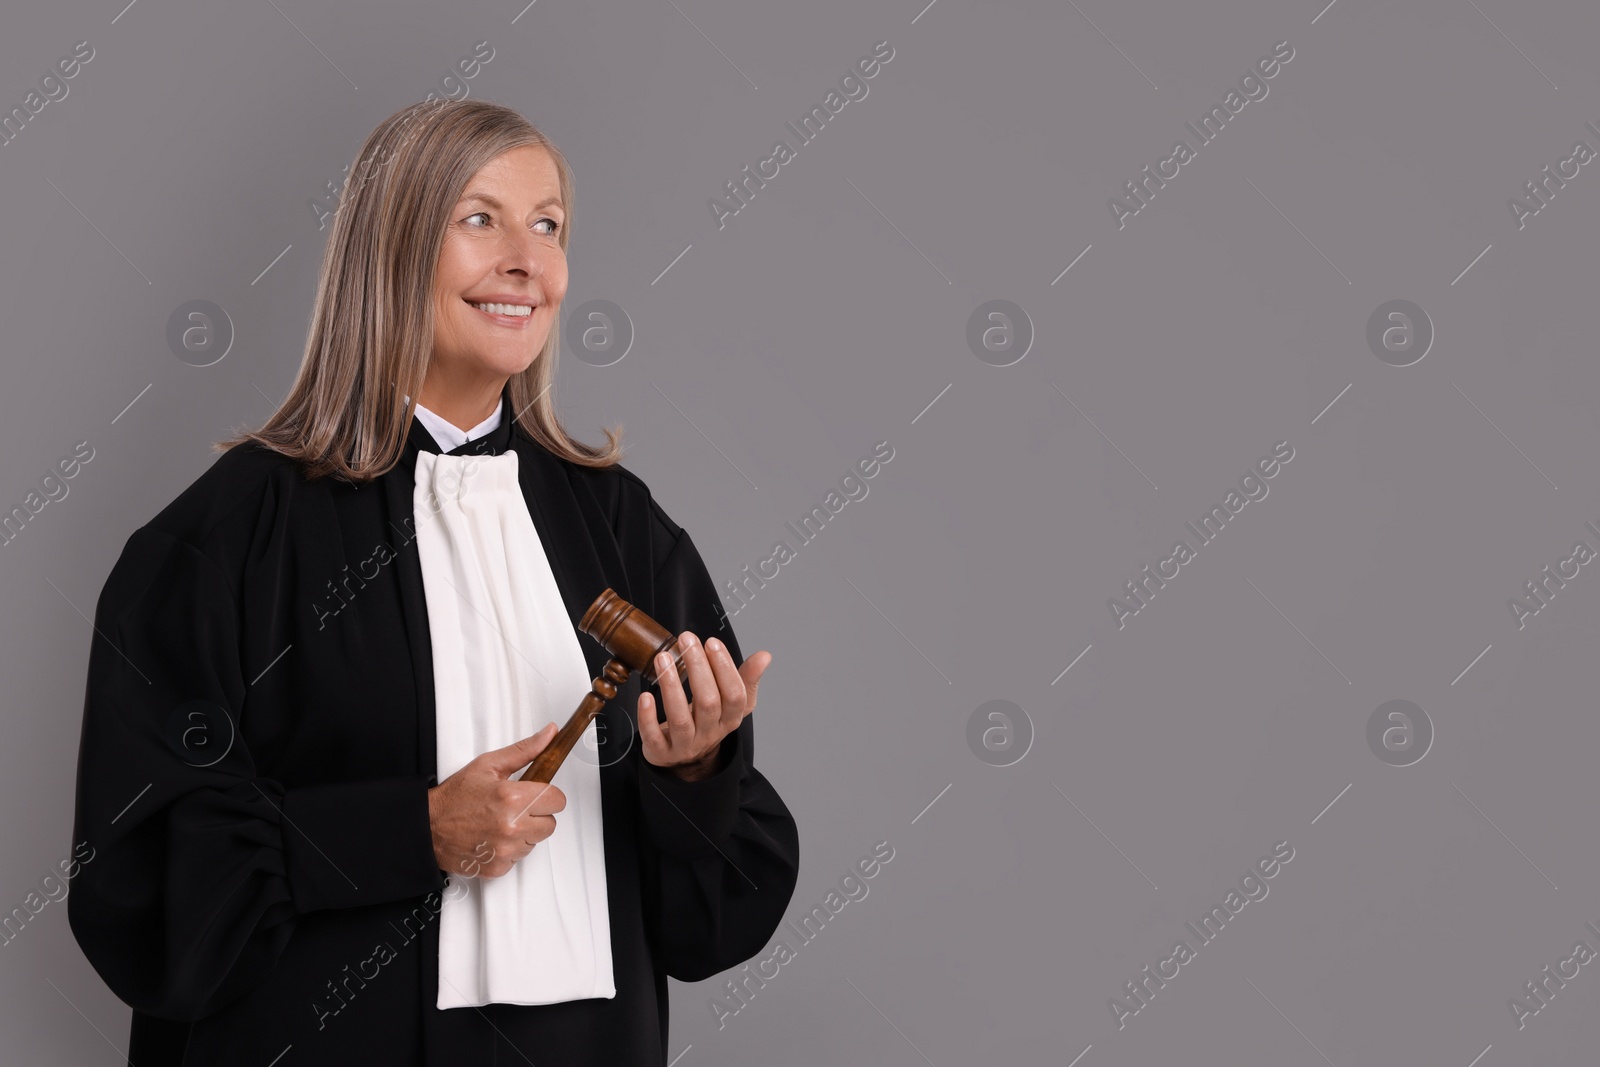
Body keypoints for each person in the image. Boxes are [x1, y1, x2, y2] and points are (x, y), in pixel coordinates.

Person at [67, 98, 800, 1066]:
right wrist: (409, 830)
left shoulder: (620, 524)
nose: (525, 261)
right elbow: (139, 883)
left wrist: (698, 770)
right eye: (478, 218)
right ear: (391, 250)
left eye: (549, 225)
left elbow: (714, 921)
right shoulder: (224, 535)